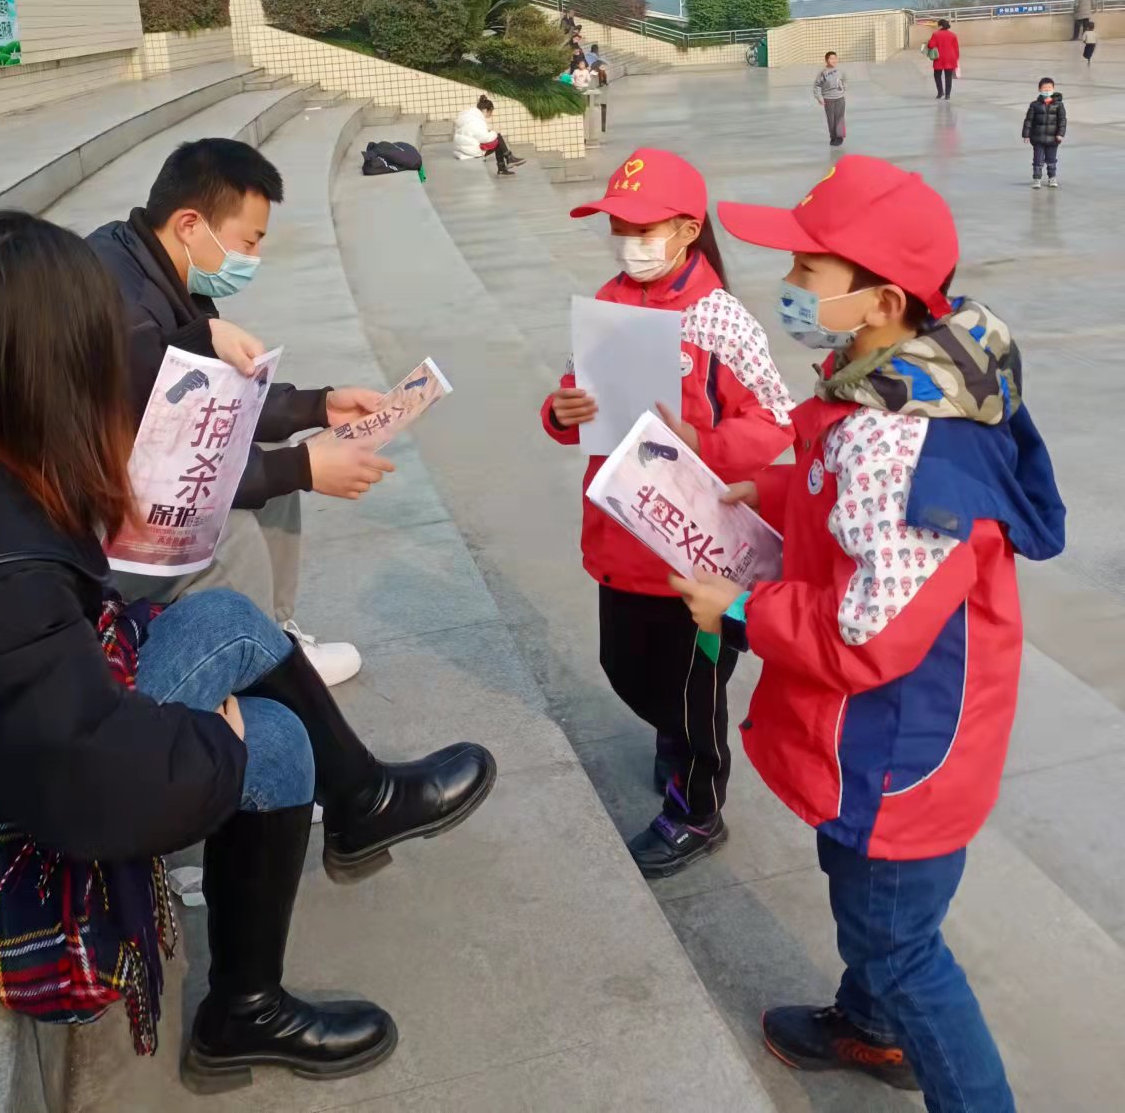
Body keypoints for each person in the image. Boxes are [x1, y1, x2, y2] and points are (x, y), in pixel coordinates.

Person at [0, 211, 497, 1087]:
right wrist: (214, 740)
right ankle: (244, 1011)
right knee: (268, 742)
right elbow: (94, 789)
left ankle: (363, 798)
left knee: (227, 619)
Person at [670, 155, 1064, 1111]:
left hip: (899, 749)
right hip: (902, 734)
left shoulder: (903, 443)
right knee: (878, 917)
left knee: (898, 944)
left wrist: (739, 608)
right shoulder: (887, 380)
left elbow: (864, 633)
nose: (790, 289)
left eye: (809, 273)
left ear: (880, 300)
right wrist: (764, 486)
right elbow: (837, 499)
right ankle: (868, 1026)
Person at [540, 149, 794, 877]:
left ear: (687, 230)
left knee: (694, 696)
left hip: (693, 557)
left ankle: (696, 810)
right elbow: (571, 395)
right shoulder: (608, 301)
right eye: (617, 225)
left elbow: (776, 418)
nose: (627, 239)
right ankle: (674, 736)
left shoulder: (722, 321)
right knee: (621, 664)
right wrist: (562, 412)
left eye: (642, 226)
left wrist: (706, 442)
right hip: (619, 538)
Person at [88, 138, 388, 686]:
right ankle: (261, 666)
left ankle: (274, 637)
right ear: (189, 225)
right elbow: (162, 473)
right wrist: (304, 468)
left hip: (126, 477)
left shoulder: (143, 258)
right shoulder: (125, 314)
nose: (253, 257)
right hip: (91, 526)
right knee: (231, 533)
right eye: (249, 240)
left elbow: (215, 403)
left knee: (270, 454)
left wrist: (318, 405)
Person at [452, 94, 525, 176]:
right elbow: (484, 138)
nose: (491, 114)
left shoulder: (468, 117)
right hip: (470, 152)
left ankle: (506, 163)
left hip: (463, 149)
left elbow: (474, 134)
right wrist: (494, 133)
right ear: (485, 110)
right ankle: (507, 160)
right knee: (497, 137)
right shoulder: (476, 121)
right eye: (490, 112)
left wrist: (490, 132)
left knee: (496, 138)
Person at [1022, 76, 1066, 189]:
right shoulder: (1034, 105)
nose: (1047, 91)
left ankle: (1052, 178)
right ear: (1039, 90)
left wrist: (1060, 134)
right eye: (1045, 89)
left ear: (1053, 89)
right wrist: (1026, 134)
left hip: (1053, 139)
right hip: (1038, 138)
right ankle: (1037, 179)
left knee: (1051, 160)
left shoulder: (1059, 105)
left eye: (1049, 88)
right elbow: (1028, 120)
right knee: (1037, 160)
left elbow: (1062, 120)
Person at [812, 51, 847, 147]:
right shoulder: (823, 73)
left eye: (835, 58)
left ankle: (839, 137)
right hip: (828, 99)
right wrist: (819, 98)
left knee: (839, 118)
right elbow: (817, 85)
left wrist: (844, 90)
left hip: (840, 98)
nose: (834, 60)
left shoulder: (840, 71)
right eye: (831, 58)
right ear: (826, 60)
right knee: (831, 119)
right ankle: (833, 136)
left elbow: (845, 81)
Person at [926, 18, 960, 100]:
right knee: (948, 77)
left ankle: (940, 92)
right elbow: (956, 48)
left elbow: (931, 45)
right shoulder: (953, 35)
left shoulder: (936, 34)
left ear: (940, 25)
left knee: (937, 76)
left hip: (939, 58)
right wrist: (956, 59)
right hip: (950, 58)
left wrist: (928, 42)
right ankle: (947, 95)